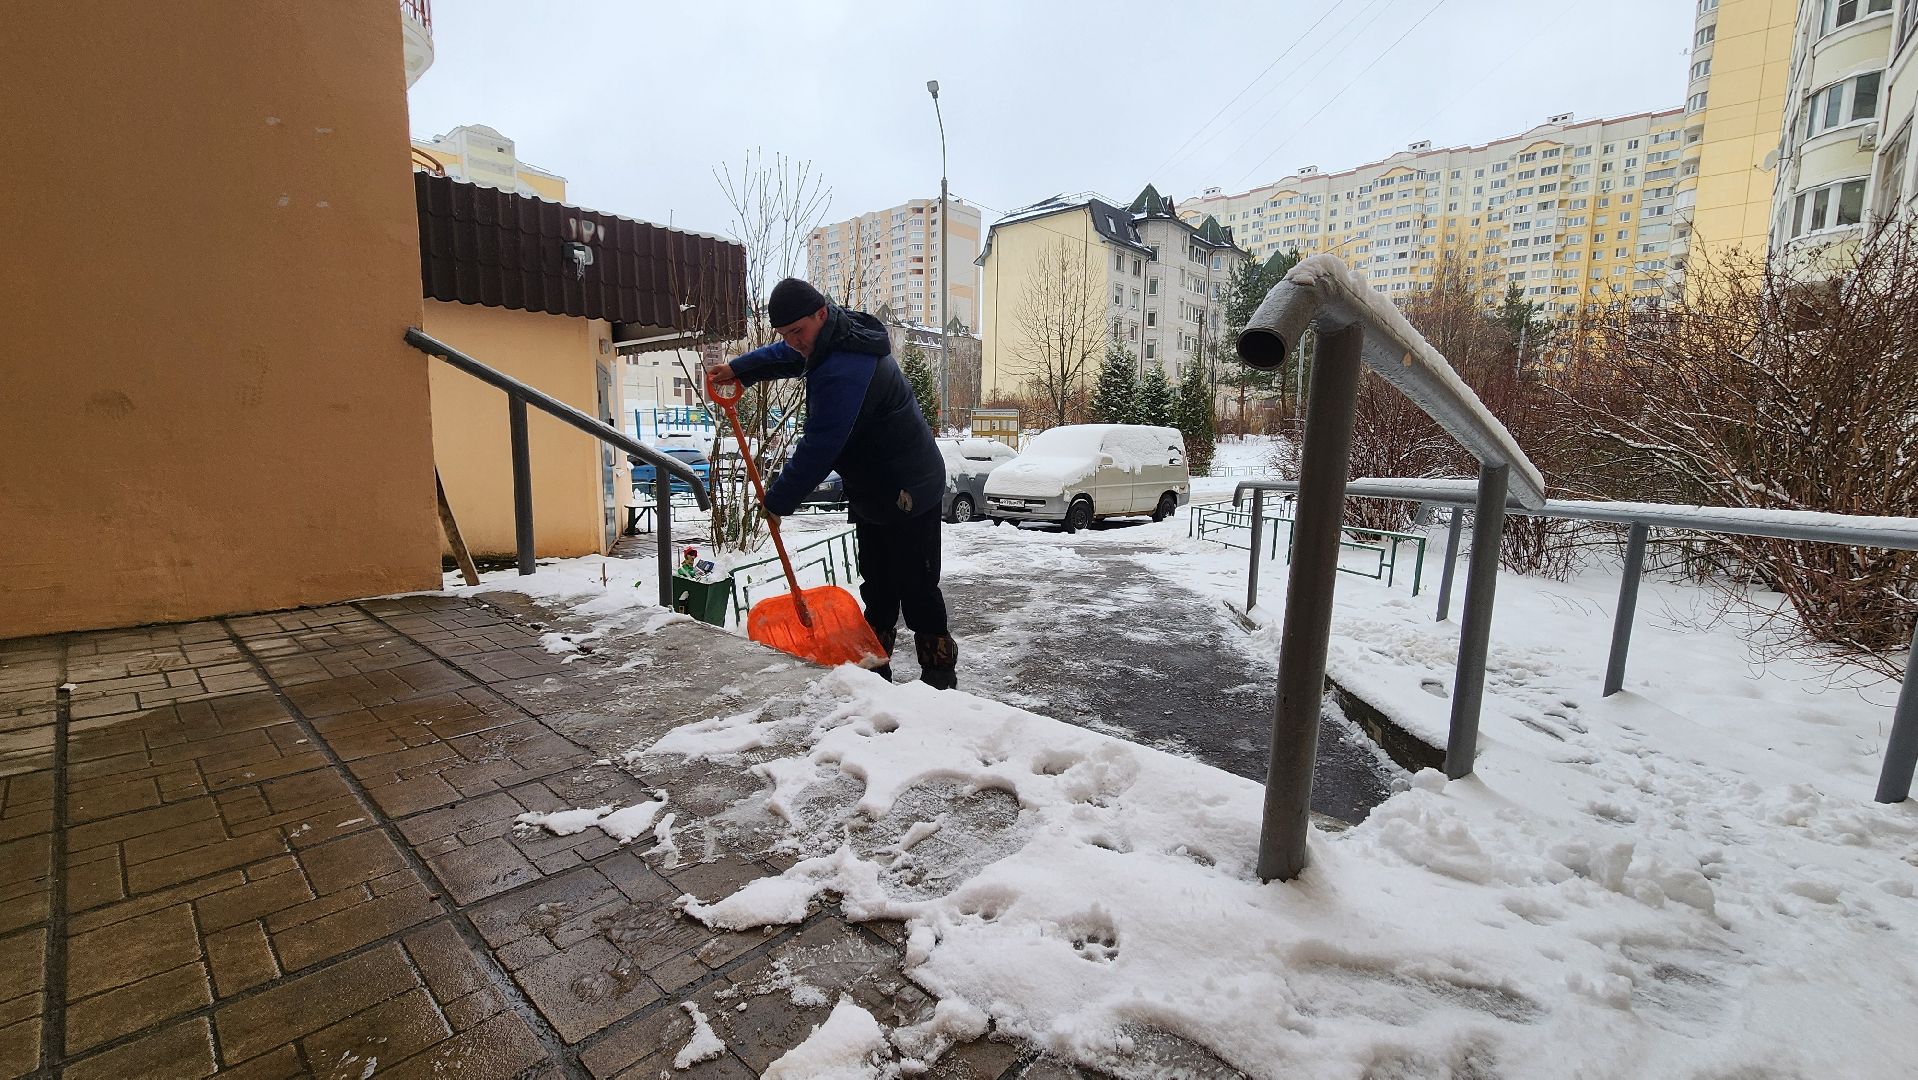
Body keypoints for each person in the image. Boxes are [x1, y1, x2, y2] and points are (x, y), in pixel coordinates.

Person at [708, 278, 957, 689]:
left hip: (910, 485)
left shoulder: (846, 367)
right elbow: (791, 356)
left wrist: (778, 501)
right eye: (785, 334)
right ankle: (875, 675)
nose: (793, 342)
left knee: (916, 587)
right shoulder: (832, 338)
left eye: (798, 332)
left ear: (821, 314)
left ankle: (939, 680)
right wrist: (740, 369)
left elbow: (820, 446)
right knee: (877, 587)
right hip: (871, 486)